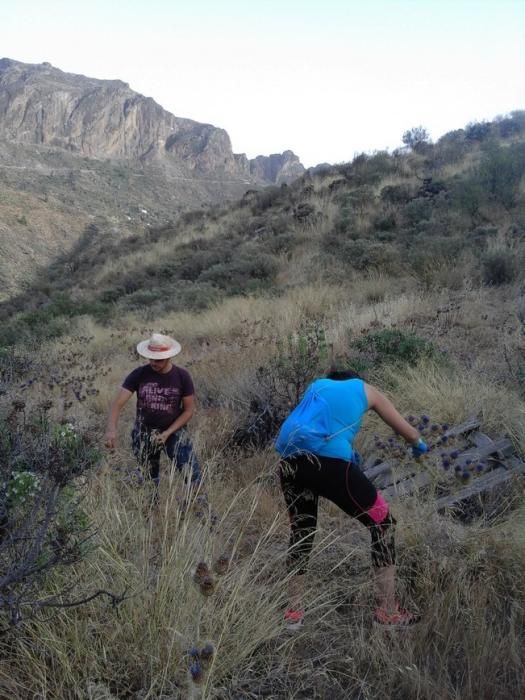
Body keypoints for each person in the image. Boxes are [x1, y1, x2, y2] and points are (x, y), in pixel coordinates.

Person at [275, 368, 428, 631]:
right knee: (383, 523)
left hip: (289, 461)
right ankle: (388, 613)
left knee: (302, 531)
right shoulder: (366, 389)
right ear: (355, 380)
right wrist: (419, 445)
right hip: (329, 463)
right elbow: (409, 432)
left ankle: (293, 613)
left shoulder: (316, 386)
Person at [105, 332, 201, 489]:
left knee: (192, 475)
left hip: (174, 432)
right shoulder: (139, 374)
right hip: (144, 432)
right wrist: (111, 430)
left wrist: (167, 433)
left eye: (158, 360)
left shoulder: (182, 376)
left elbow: (188, 411)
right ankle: (151, 509)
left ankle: (196, 508)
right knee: (149, 478)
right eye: (151, 358)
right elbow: (117, 404)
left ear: (169, 357)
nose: (153, 363)